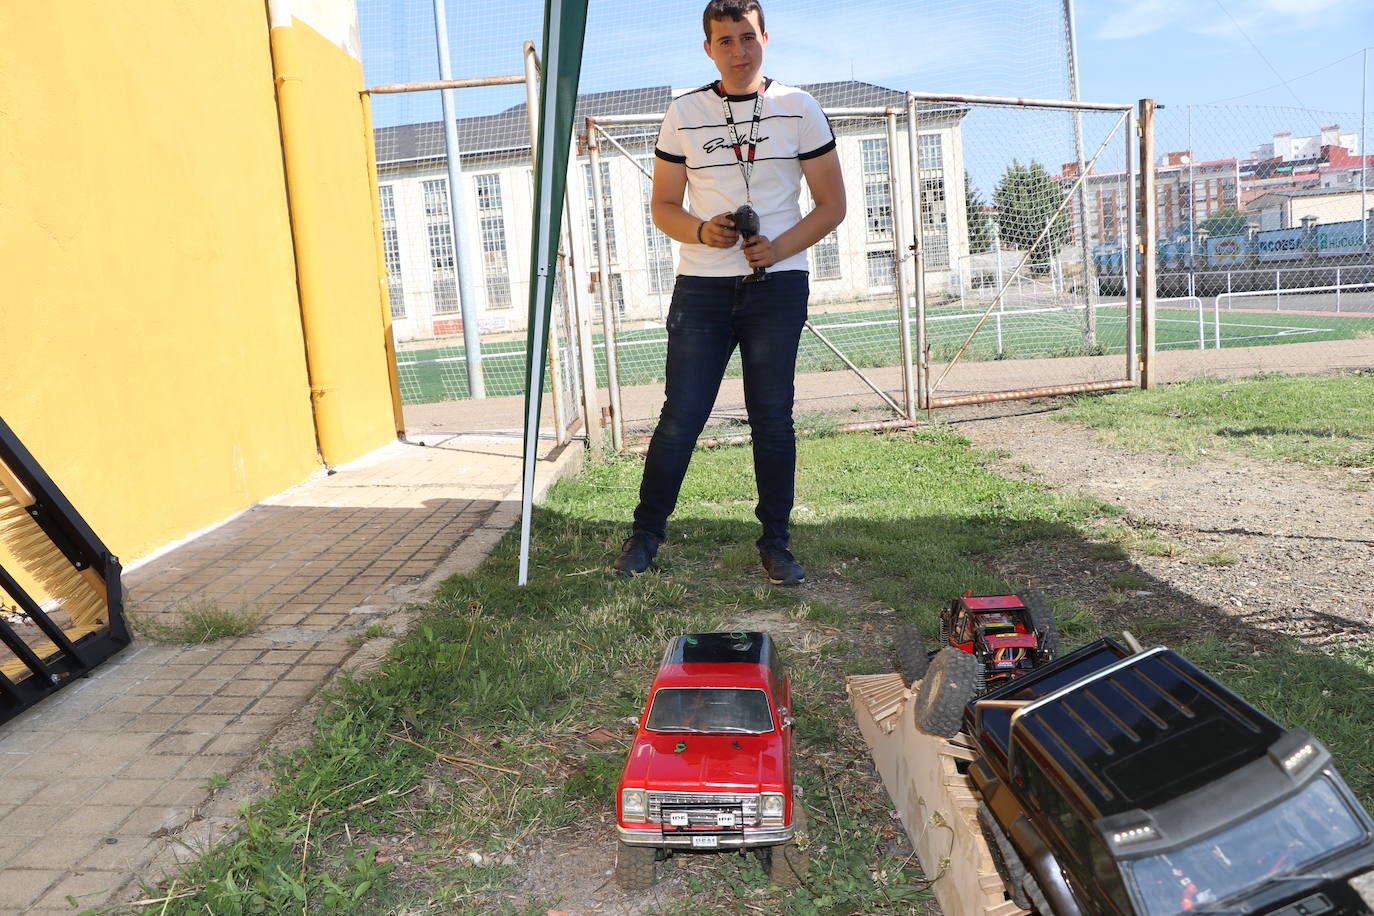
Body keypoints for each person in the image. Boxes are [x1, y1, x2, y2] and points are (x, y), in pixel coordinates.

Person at [613, 0, 846, 585]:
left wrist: (779, 248)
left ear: (765, 36)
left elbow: (832, 205)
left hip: (776, 285)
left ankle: (777, 545)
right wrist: (699, 229)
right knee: (682, 416)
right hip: (702, 288)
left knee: (772, 419)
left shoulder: (799, 108)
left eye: (748, 38)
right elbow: (663, 205)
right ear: (708, 48)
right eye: (725, 41)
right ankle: (645, 536)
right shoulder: (684, 111)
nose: (738, 52)